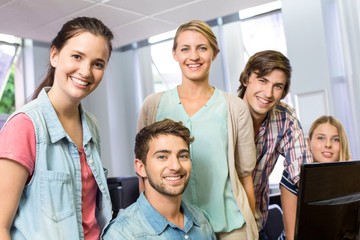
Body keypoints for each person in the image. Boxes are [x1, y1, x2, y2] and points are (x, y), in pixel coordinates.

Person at [138, 20, 258, 239]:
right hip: (173, 228)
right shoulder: (153, 105)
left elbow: (245, 176)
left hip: (229, 228)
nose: (194, 56)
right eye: (185, 49)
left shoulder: (234, 108)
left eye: (202, 48)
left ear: (214, 53)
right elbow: (144, 173)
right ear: (175, 54)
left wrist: (253, 227)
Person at [0, 17, 114, 240]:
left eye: (98, 64)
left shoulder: (91, 125)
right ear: (54, 55)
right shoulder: (25, 125)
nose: (86, 71)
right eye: (77, 57)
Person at [237, 50, 313, 240]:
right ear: (246, 79)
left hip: (256, 224)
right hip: (221, 226)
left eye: (277, 86)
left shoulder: (284, 116)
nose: (268, 93)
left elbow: (301, 174)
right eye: (262, 81)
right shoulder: (223, 113)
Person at [102, 119, 216, 239]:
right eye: (162, 157)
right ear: (141, 168)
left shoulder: (202, 220)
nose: (176, 166)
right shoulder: (122, 234)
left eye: (183, 156)